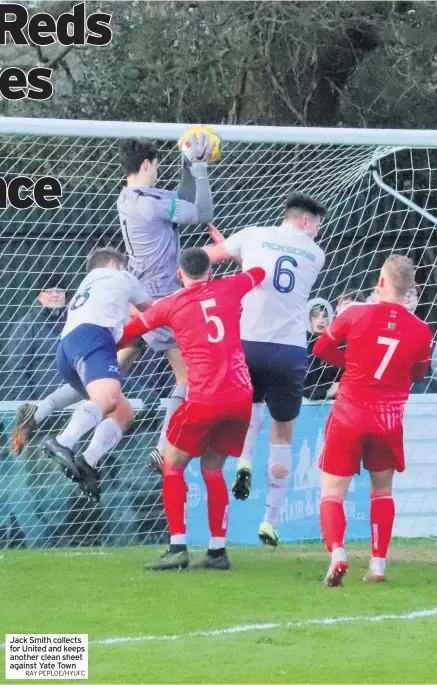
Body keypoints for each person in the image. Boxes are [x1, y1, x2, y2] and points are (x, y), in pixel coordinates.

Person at [118, 248, 265, 570]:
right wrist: (235, 256)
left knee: (172, 464)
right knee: (212, 469)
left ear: (179, 274)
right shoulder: (230, 285)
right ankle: (217, 551)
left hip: (204, 397)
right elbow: (259, 273)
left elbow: (131, 331)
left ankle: (177, 546)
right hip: (240, 396)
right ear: (210, 272)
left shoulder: (170, 304)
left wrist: (108, 346)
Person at [203, 193, 326, 546]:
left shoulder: (252, 234)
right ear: (305, 222)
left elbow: (207, 258)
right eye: (316, 226)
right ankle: (271, 521)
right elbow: (282, 266)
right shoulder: (316, 255)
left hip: (248, 343)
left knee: (251, 408)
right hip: (288, 350)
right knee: (283, 435)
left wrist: (231, 247)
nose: (317, 233)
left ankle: (243, 460)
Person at [313, 255, 432, 586]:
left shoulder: (354, 313)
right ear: (410, 289)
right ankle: (378, 564)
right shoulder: (422, 331)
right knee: (382, 490)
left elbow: (321, 348)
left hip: (349, 412)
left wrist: (350, 364)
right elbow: (419, 374)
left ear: (380, 283)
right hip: (388, 419)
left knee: (332, 493)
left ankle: (337, 553)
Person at [117, 134, 214, 472]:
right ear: (146, 165)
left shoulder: (135, 196)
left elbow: (183, 199)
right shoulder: (149, 204)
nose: (158, 171)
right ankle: (162, 447)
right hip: (160, 299)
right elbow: (202, 212)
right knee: (187, 375)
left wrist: (187, 163)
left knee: (117, 366)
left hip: (142, 293)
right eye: (157, 166)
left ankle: (64, 426)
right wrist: (200, 169)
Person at [43, 247, 151, 502]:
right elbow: (151, 310)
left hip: (66, 348)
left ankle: (89, 461)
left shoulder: (88, 285)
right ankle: (63, 442)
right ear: (114, 264)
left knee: (122, 412)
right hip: (93, 338)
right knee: (109, 399)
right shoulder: (121, 277)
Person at [5, 275, 68, 405]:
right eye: (49, 290)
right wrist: (27, 407)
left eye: (59, 290)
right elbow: (16, 368)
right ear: (39, 296)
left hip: (76, 402)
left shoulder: (74, 322)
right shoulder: (26, 325)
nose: (55, 294)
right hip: (41, 404)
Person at [303, 298, 338, 401]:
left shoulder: (336, 343)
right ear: (309, 319)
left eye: (325, 316)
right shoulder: (303, 345)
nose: (321, 320)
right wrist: (327, 393)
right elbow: (304, 386)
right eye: (315, 316)